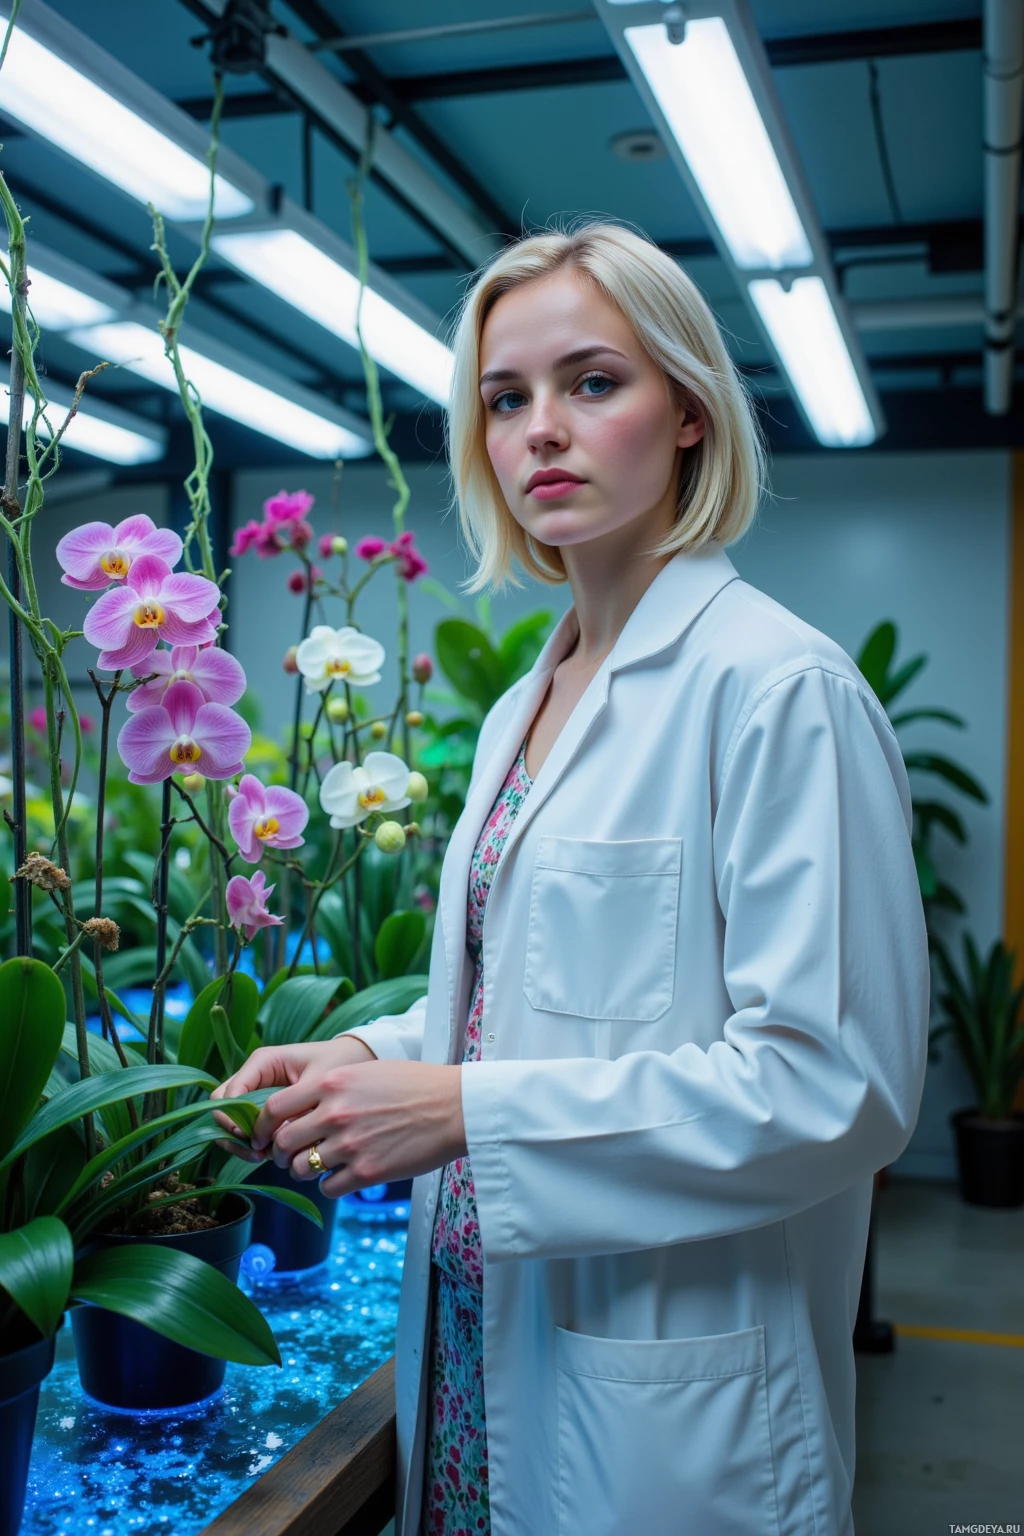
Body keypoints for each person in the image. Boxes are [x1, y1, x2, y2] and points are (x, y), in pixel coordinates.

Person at [213, 222, 930, 1536]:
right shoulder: (524, 705)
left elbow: (837, 1085)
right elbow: (545, 1002)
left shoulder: (778, 691)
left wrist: (469, 1113)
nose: (543, 427)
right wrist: (367, 1059)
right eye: (506, 398)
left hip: (668, 1410)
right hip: (482, 1348)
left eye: (593, 383)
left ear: (692, 413)